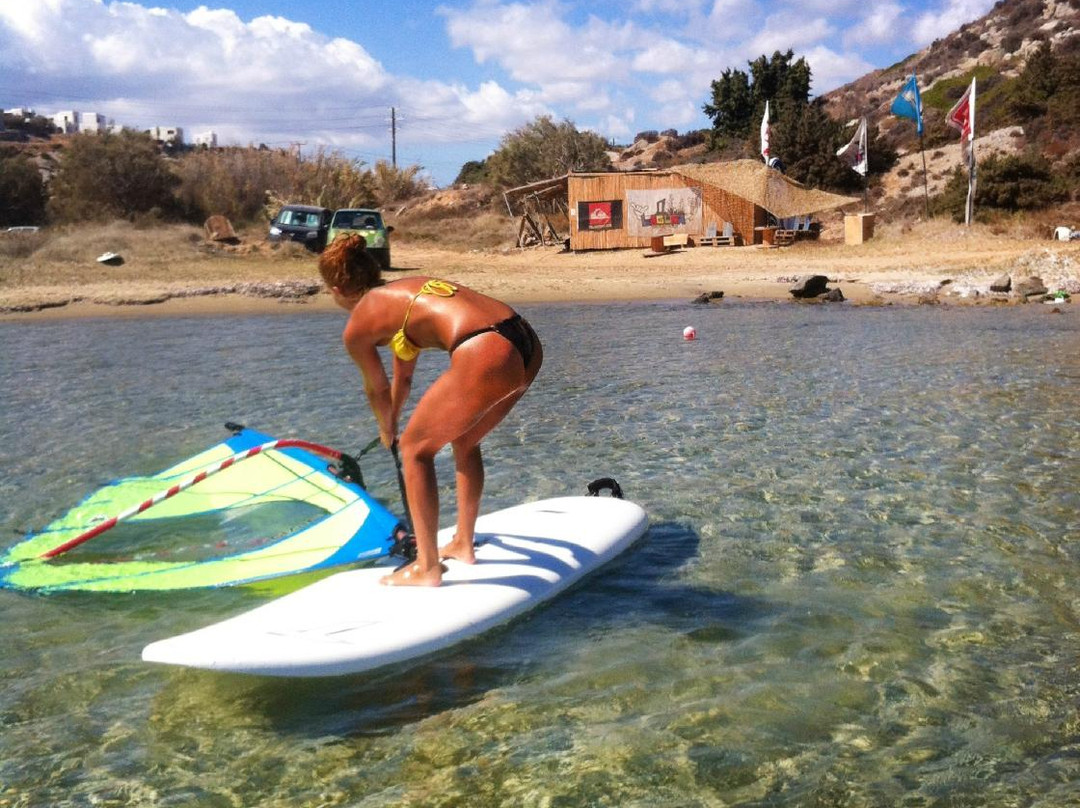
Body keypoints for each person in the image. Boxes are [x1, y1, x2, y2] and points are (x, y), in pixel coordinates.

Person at [318, 234, 542, 587]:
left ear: (336, 288)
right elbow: (401, 381)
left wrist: (387, 428)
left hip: (487, 349)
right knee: (464, 440)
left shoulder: (359, 323)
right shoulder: (400, 296)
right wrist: (392, 418)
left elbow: (376, 388)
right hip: (524, 339)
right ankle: (463, 543)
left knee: (414, 450)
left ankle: (427, 567)